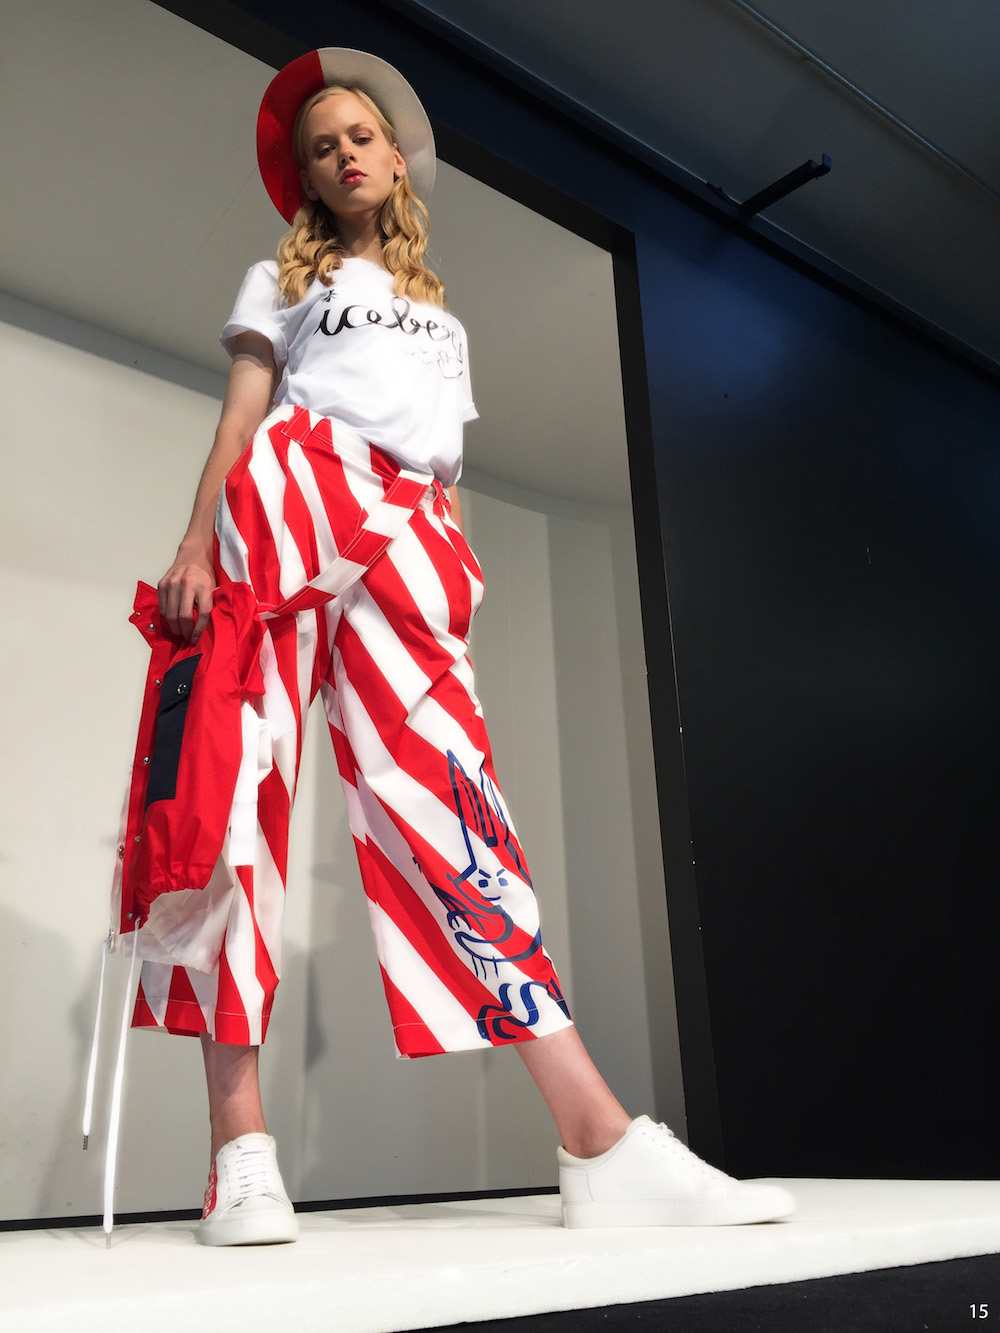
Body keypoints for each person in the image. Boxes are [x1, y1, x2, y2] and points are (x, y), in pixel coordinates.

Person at [126, 47, 794, 1246]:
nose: (342, 153)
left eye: (358, 135)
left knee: (453, 804)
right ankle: (239, 1153)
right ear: (307, 177)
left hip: (414, 531)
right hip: (291, 496)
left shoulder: (439, 315)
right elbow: (243, 413)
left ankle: (595, 1138)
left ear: (395, 157)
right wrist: (194, 541)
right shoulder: (279, 279)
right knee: (233, 802)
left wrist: (449, 570)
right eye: (321, 146)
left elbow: (439, 454)